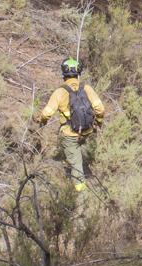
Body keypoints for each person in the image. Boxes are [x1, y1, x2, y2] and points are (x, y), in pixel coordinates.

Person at [37, 57, 105, 192]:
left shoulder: (60, 92)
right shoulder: (87, 88)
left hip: (69, 135)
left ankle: (81, 193)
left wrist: (42, 122)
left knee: (76, 165)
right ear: (78, 73)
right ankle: (92, 171)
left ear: (63, 74)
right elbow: (100, 109)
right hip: (88, 131)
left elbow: (46, 113)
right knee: (85, 154)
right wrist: (98, 122)